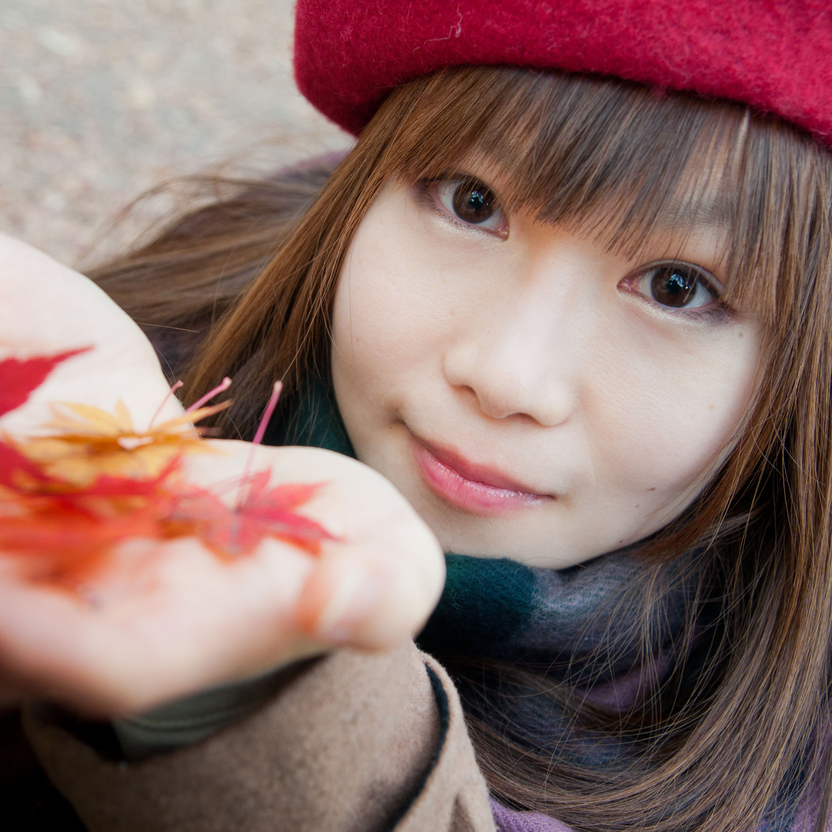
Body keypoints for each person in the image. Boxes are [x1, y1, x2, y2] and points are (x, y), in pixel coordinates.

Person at [2, 0, 832, 830]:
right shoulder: (147, 347)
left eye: (675, 287)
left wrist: (252, 693)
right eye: (472, 203)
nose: (509, 378)